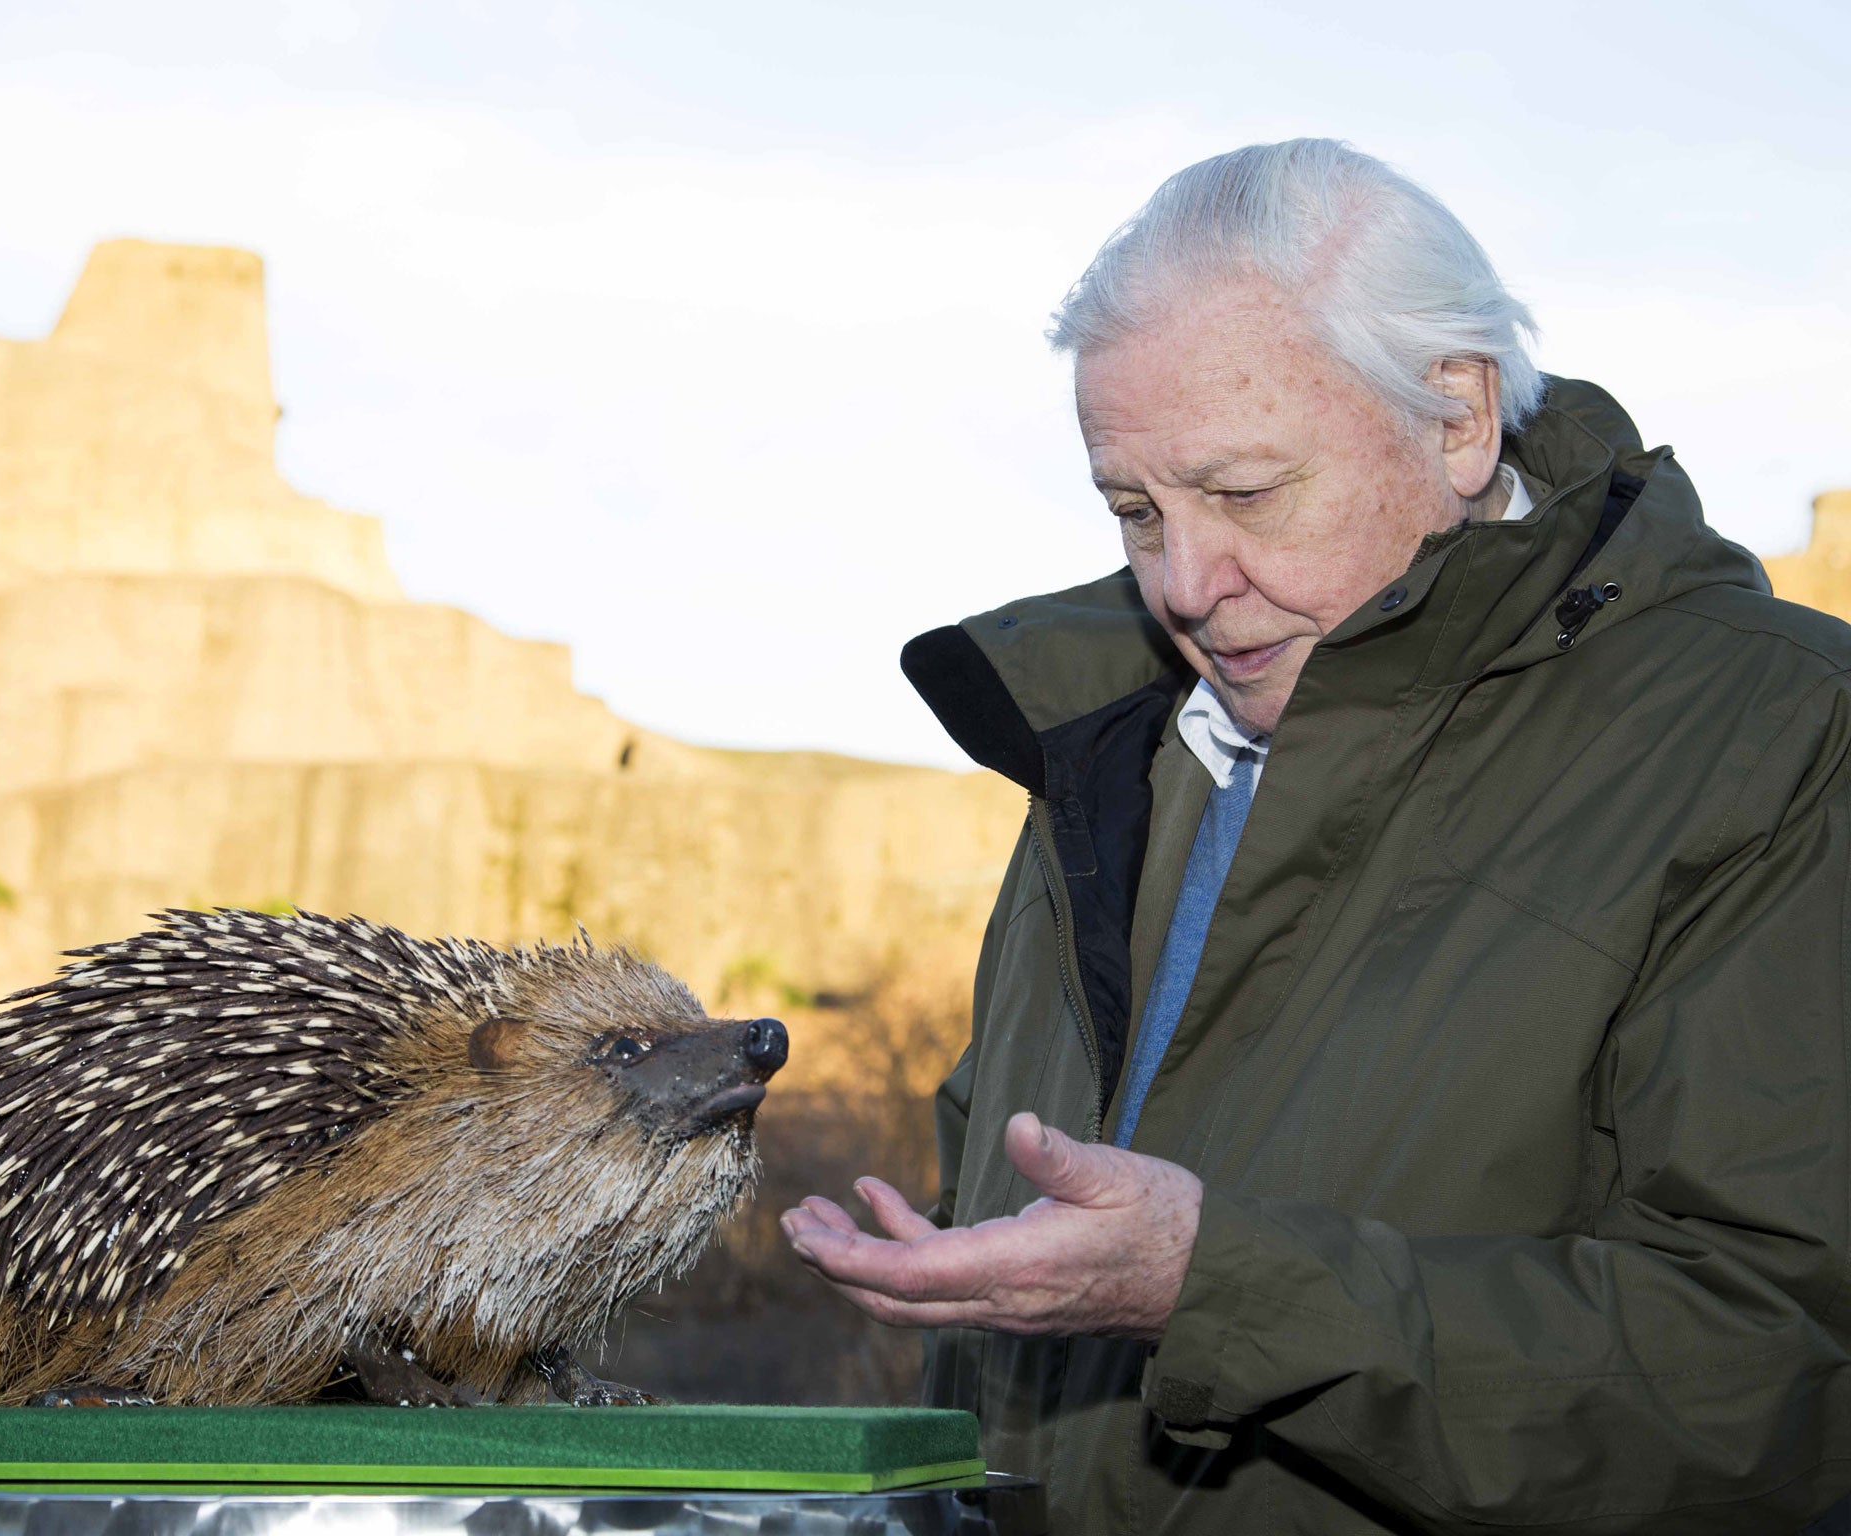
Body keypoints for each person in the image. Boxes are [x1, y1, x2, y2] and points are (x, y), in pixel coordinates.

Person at [779, 138, 1851, 1533]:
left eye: (1245, 492)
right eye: (1134, 509)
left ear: (1458, 419)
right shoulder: (1109, 750)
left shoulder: (1780, 735)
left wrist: (1211, 1286)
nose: (1185, 581)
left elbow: (1779, 1373)